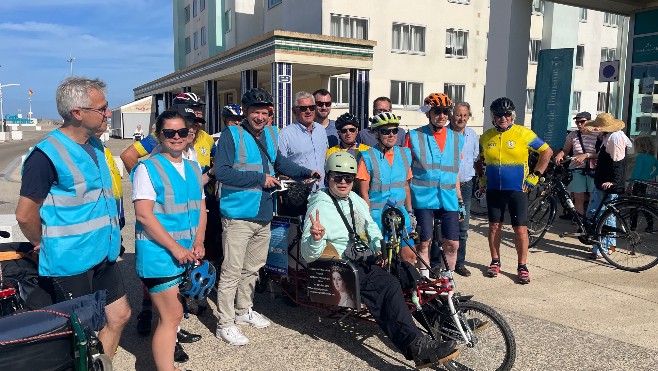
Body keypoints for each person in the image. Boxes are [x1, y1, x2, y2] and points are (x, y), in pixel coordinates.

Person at [302, 152, 460, 368]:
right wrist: (315, 239)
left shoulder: (355, 200)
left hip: (363, 257)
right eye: (337, 177)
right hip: (340, 265)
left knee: (407, 271)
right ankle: (416, 346)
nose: (343, 182)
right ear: (327, 177)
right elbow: (308, 255)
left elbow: (372, 229)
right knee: (387, 286)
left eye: (348, 178)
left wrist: (379, 247)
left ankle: (444, 323)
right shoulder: (319, 206)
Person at [15, 77, 131, 359]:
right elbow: (25, 214)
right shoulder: (45, 156)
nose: (108, 113)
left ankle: (100, 367)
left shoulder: (97, 146)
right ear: (77, 113)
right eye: (102, 108)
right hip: (70, 261)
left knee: (119, 316)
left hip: (104, 252)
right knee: (80, 336)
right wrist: (41, 242)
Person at [215, 88, 319, 346]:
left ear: (270, 114)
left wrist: (307, 171)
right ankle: (225, 323)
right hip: (238, 214)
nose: (260, 117)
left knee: (252, 268)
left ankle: (243, 311)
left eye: (264, 112)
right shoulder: (232, 135)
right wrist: (260, 179)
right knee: (231, 271)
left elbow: (280, 163)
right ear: (246, 113)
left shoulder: (271, 134)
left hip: (263, 212)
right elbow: (222, 173)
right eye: (254, 112)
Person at [131, 110, 206, 371]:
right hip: (159, 255)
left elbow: (200, 208)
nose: (176, 137)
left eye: (182, 132)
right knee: (171, 316)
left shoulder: (194, 167)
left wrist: (199, 240)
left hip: (185, 254)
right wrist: (176, 248)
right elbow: (144, 215)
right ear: (159, 135)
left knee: (174, 314)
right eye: (169, 133)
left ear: (190, 135)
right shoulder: (146, 168)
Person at [478, 97, 552, 284]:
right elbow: (477, 158)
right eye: (498, 115)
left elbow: (547, 152)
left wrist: (535, 175)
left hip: (518, 189)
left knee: (520, 229)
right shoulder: (486, 136)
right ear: (493, 117)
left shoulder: (523, 133)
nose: (503, 118)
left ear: (513, 116)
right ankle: (495, 261)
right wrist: (481, 177)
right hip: (494, 188)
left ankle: (522, 266)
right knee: (494, 226)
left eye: (506, 114)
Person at [405, 93, 464, 277]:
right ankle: (424, 280)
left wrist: (460, 199)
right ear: (428, 113)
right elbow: (406, 171)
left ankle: (448, 280)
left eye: (446, 111)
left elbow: (455, 172)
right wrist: (407, 206)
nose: (442, 116)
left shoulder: (457, 138)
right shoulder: (413, 136)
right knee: (424, 243)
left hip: (448, 198)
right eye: (437, 111)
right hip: (422, 198)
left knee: (453, 243)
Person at [356, 112, 415, 264]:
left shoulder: (404, 154)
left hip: (401, 215)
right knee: (382, 261)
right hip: (377, 217)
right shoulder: (367, 156)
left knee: (409, 257)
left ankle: (407, 287)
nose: (391, 134)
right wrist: (367, 219)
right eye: (385, 131)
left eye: (394, 131)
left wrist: (410, 212)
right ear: (377, 134)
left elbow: (406, 187)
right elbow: (364, 192)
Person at [120, 92, 215, 173]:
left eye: (200, 109)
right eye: (193, 109)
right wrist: (142, 180)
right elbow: (128, 155)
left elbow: (218, 160)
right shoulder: (165, 136)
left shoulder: (206, 137)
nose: (199, 113)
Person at [582, 113, 632, 259]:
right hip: (602, 182)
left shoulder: (615, 138)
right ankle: (604, 245)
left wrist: (614, 182)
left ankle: (605, 247)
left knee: (605, 216)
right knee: (598, 213)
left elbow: (619, 162)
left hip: (607, 184)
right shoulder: (608, 137)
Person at [449, 102, 479, 277]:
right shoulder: (444, 134)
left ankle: (460, 262)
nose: (461, 118)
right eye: (458, 115)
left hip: (466, 186)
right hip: (446, 187)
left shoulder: (472, 135)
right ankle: (438, 263)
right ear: (453, 115)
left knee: (463, 226)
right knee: (442, 225)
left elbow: (474, 157)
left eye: (464, 115)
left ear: (468, 117)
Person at [554, 112, 599, 219]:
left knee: (594, 198)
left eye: (582, 121)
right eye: (577, 122)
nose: (579, 124)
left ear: (589, 121)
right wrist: (560, 155)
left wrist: (586, 155)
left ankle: (593, 221)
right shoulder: (573, 135)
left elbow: (602, 154)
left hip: (593, 170)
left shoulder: (597, 134)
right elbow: (566, 150)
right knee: (578, 198)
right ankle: (580, 223)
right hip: (577, 169)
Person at [278, 91, 329, 186]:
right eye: (303, 108)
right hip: (299, 193)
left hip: (322, 191)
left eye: (312, 107)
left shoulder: (321, 131)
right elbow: (281, 167)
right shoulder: (284, 135)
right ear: (294, 111)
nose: (308, 111)